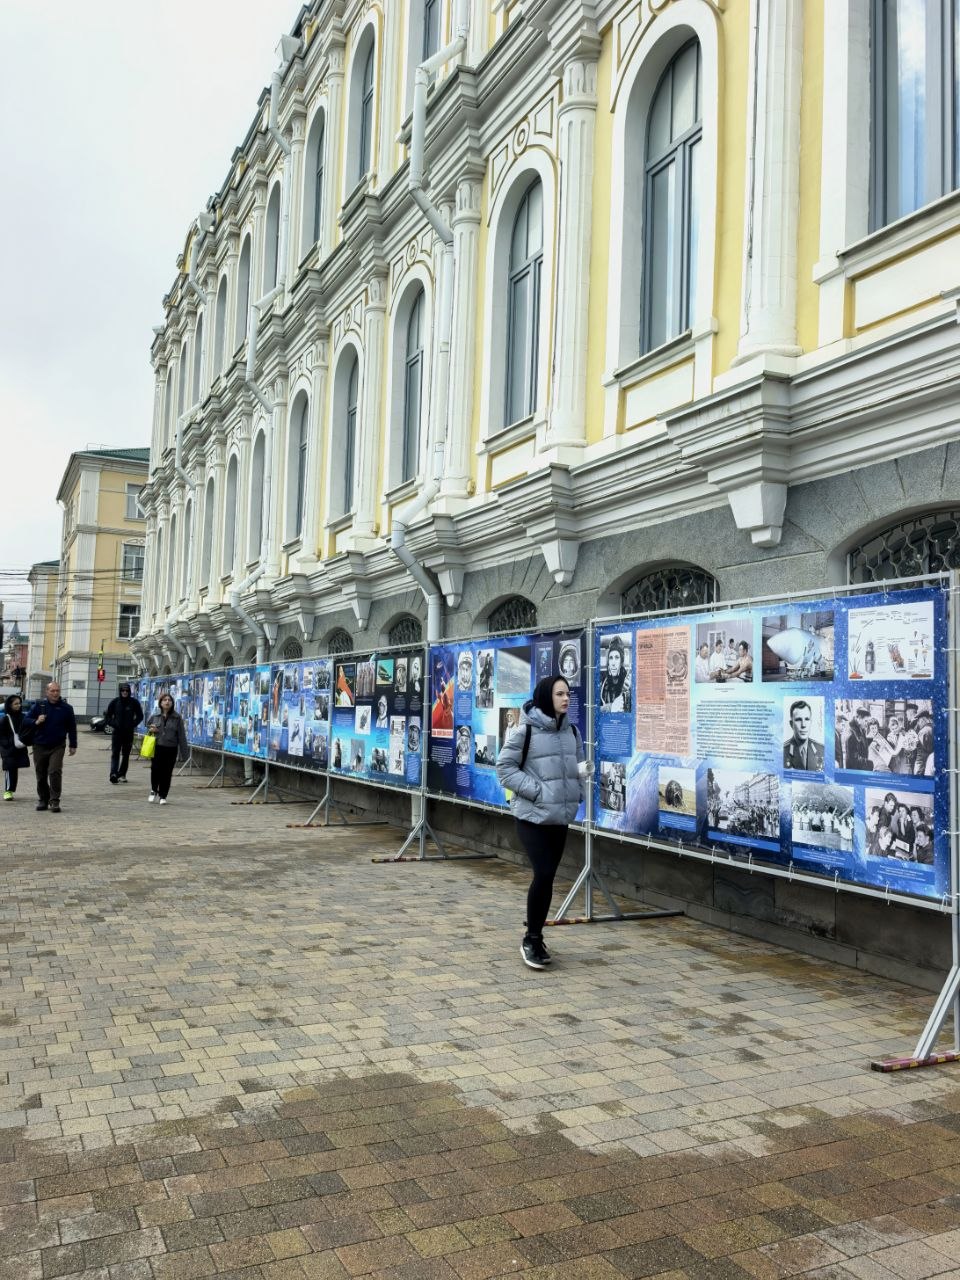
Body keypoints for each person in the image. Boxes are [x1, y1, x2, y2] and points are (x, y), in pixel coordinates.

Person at [496, 674, 586, 971]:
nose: (566, 699)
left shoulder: (572, 732)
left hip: (559, 817)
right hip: (531, 816)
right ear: (547, 696)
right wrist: (537, 791)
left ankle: (536, 936)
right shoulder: (527, 731)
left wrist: (578, 791)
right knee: (544, 872)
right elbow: (505, 768)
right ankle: (531, 939)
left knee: (548, 877)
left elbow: (579, 768)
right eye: (560, 694)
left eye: (568, 694)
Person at [24, 682, 77, 813]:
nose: (55, 693)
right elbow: (25, 720)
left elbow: (72, 727)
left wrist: (73, 744)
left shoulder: (67, 708)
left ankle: (54, 801)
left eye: (57, 691)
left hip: (57, 746)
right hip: (40, 745)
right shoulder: (39, 706)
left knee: (54, 771)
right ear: (47, 692)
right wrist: (36, 721)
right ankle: (43, 799)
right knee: (41, 774)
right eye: (52, 691)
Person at [145, 693, 189, 805]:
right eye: (165, 700)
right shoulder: (155, 716)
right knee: (155, 770)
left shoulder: (177, 717)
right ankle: (154, 790)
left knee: (167, 772)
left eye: (169, 700)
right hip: (157, 747)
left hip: (171, 748)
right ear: (160, 703)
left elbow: (181, 736)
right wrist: (151, 729)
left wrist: (185, 754)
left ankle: (163, 795)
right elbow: (148, 725)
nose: (167, 702)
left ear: (172, 703)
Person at [104, 682, 144, 783]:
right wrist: (114, 724)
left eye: (126, 690)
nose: (125, 692)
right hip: (117, 733)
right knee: (115, 754)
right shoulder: (115, 702)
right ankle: (113, 774)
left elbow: (140, 716)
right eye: (123, 690)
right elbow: (107, 716)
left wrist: (132, 724)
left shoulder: (134, 702)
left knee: (126, 755)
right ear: (120, 691)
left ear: (129, 691)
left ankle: (122, 774)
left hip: (128, 733)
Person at [1, 694, 31, 801]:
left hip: (19, 747)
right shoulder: (5, 718)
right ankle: (8, 791)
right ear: (10, 705)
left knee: (15, 768)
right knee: (10, 768)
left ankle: (11, 789)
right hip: (8, 749)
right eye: (16, 704)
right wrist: (7, 743)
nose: (18, 705)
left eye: (19, 703)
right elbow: (1, 734)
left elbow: (29, 730)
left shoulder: (24, 717)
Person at [783, 700, 824, 772]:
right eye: (798, 720)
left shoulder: (821, 749)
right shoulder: (783, 751)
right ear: (791, 724)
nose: (803, 725)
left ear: (811, 722)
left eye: (807, 719)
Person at [599, 637, 631, 711]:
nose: (613, 663)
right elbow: (594, 710)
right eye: (611, 658)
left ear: (621, 662)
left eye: (617, 658)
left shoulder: (628, 684)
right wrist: (611, 707)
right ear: (608, 662)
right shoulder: (602, 684)